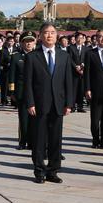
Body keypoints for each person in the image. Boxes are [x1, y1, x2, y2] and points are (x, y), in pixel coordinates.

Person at [24, 23, 74, 184]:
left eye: (52, 33)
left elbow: (68, 81)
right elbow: (28, 83)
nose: (49, 36)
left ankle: (53, 170)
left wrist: (69, 103)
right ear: (40, 36)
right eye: (46, 33)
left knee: (55, 140)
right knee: (39, 139)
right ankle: (39, 171)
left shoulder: (64, 56)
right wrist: (30, 102)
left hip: (58, 104)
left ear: (57, 35)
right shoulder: (32, 56)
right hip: (39, 104)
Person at [9, 31, 36, 150]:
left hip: (36, 92)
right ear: (21, 43)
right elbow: (12, 75)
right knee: (23, 118)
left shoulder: (38, 55)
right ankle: (22, 141)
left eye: (31, 41)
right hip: (21, 91)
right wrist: (12, 92)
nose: (28, 44)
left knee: (34, 118)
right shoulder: (16, 56)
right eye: (26, 41)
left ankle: (32, 141)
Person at [69, 32, 88, 112]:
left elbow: (87, 59)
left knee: (81, 90)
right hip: (74, 72)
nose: (80, 40)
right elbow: (69, 59)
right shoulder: (71, 48)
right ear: (75, 39)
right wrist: (76, 66)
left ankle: (80, 107)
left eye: (81, 38)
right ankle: (72, 106)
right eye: (78, 38)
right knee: (73, 90)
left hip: (83, 72)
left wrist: (83, 66)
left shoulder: (86, 48)